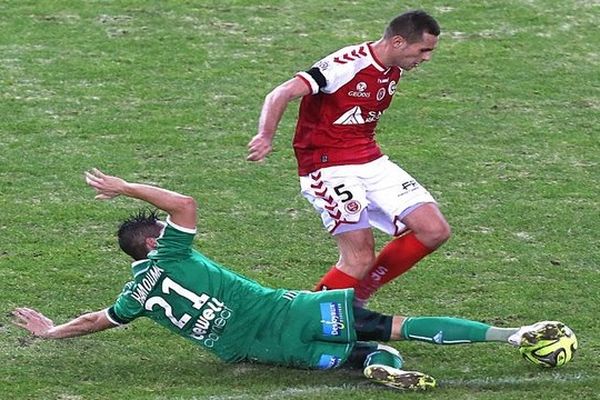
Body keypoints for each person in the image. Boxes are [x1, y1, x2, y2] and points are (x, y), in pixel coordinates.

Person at [12, 169, 568, 391]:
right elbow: (183, 202)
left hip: (251, 347)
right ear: (153, 244)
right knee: (393, 324)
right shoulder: (172, 256)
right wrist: (127, 188)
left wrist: (51, 331)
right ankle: (515, 336)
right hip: (284, 311)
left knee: (358, 353)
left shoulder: (134, 294)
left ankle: (368, 365)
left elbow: (98, 320)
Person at [247, 10, 450, 305]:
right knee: (359, 257)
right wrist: (265, 135)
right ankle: (305, 321)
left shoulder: (393, 67)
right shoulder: (347, 64)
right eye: (424, 50)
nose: (427, 58)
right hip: (328, 167)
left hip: (370, 160)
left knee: (434, 230)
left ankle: (358, 293)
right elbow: (280, 93)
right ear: (397, 42)